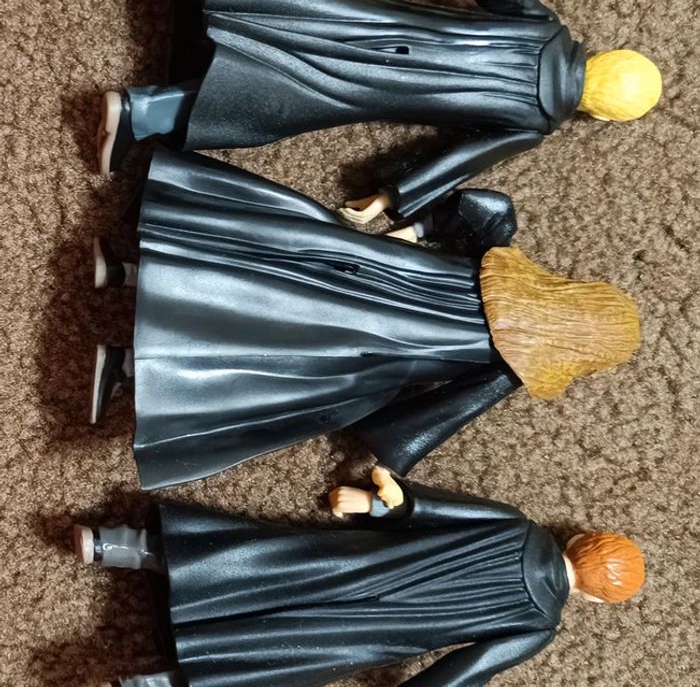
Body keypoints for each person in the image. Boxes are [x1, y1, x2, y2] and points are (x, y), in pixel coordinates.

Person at [90, 147, 640, 495]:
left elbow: (489, 208)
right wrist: (393, 463)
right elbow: (444, 413)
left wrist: (414, 228)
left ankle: (127, 279)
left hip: (367, 278)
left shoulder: (505, 270)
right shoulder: (510, 350)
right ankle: (127, 355)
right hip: (369, 341)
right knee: (267, 359)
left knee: (269, 271)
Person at [98, 0, 662, 227]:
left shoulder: (544, 27)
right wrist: (393, 196)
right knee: (271, 95)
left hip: (371, 21)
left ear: (603, 55)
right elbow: (460, 159)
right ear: (599, 114)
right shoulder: (532, 124)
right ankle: (140, 113)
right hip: (366, 87)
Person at [73, 474, 645, 687]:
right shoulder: (541, 624)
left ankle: (117, 544)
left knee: (266, 560)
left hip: (365, 564)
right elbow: (473, 666)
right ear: (594, 599)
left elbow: (445, 512)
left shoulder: (521, 527)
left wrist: (382, 502)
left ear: (581, 539)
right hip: (374, 631)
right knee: (273, 660)